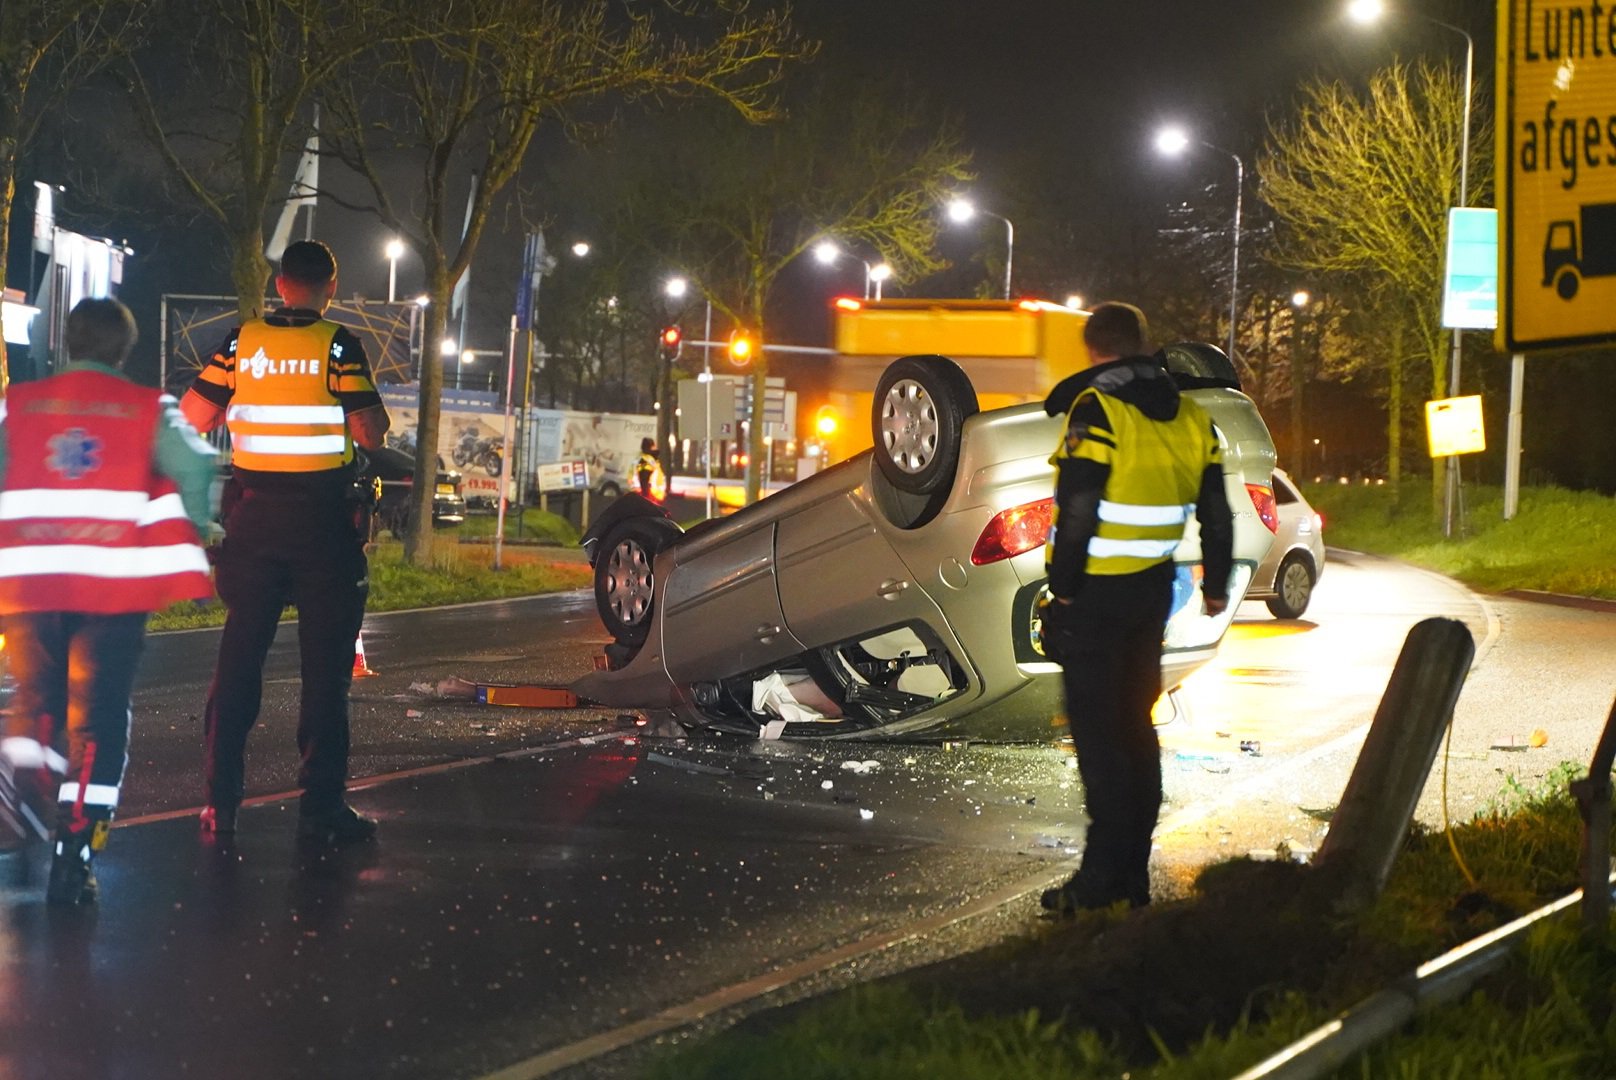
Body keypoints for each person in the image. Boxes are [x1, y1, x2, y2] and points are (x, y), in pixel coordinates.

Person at [0, 298, 216, 904]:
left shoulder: (17, 404)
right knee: (98, 720)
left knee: (35, 703)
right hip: (111, 591)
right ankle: (75, 855)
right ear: (126, 349)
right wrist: (197, 527)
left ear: (68, 342)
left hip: (28, 586)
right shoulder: (149, 409)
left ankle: (21, 809)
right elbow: (196, 471)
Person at [180, 239, 390, 844]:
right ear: (331, 285)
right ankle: (321, 809)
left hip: (254, 526)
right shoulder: (339, 344)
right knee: (326, 675)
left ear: (278, 285)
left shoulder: (242, 342)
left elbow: (194, 416)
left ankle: (220, 804)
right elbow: (371, 433)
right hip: (323, 528)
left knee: (239, 662)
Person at [1038, 302, 1232, 914]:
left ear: (1093, 347)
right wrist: (1218, 584)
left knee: (1098, 741)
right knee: (1135, 730)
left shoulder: (1097, 410)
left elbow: (1078, 507)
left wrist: (1063, 586)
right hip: (1151, 594)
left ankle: (1099, 881)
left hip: (1094, 596)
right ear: (1142, 342)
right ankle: (1132, 874)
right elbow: (1218, 512)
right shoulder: (1193, 416)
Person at [635, 437, 666, 503]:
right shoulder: (647, 460)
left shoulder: (650, 459)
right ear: (650, 447)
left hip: (653, 497)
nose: (656, 447)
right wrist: (647, 498)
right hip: (651, 497)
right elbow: (644, 479)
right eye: (654, 445)